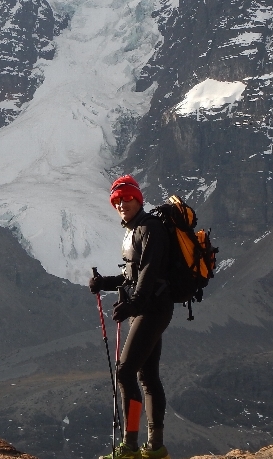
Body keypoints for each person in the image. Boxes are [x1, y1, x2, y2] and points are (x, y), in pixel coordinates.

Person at [89, 175, 173, 459]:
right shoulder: (135, 230)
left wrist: (133, 305)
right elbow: (132, 275)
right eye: (117, 200)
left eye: (127, 198)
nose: (122, 204)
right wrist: (105, 283)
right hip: (150, 308)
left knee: (125, 372)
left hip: (153, 309)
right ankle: (155, 448)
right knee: (147, 376)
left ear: (138, 199)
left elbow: (149, 273)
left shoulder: (151, 228)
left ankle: (131, 447)